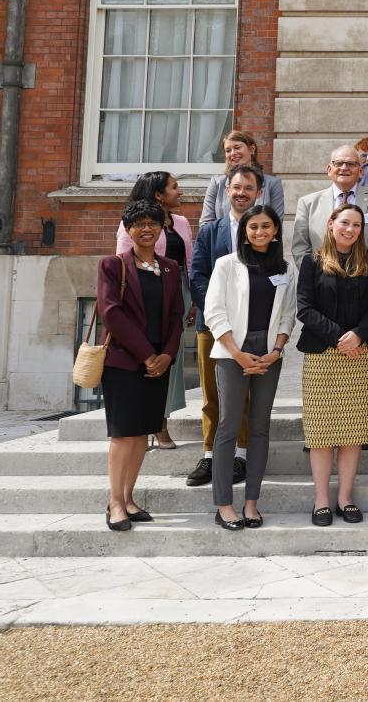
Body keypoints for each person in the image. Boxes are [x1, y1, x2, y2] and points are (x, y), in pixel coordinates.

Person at [203, 203, 298, 531]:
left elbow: (289, 313)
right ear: (244, 230)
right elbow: (214, 312)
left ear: (275, 231)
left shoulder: (285, 268)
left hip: (269, 356)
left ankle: (252, 503)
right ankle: (224, 505)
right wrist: (237, 353)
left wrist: (276, 350)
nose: (260, 232)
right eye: (253, 227)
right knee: (229, 426)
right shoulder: (227, 265)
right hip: (232, 355)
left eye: (266, 227)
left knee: (259, 428)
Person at [296, 203, 368, 526]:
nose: (350, 229)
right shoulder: (312, 261)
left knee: (354, 432)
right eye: (345, 223)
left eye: (357, 225)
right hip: (323, 355)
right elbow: (304, 309)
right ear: (331, 223)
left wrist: (360, 335)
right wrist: (340, 337)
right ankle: (321, 500)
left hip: (361, 356)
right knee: (321, 433)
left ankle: (345, 498)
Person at [97, 199, 184, 530]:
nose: (147, 228)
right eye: (139, 223)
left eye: (153, 223)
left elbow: (177, 315)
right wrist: (147, 355)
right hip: (124, 362)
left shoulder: (171, 268)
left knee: (142, 435)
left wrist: (167, 355)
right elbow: (111, 314)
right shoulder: (112, 265)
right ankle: (115, 503)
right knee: (123, 435)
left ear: (162, 228)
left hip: (160, 365)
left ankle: (129, 499)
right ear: (128, 229)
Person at [186, 164, 261, 488]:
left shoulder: (264, 230)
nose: (242, 193)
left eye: (248, 188)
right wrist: (219, 317)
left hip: (251, 329)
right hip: (212, 328)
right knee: (212, 394)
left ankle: (241, 456)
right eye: (237, 187)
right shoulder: (209, 231)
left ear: (257, 193)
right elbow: (197, 276)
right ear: (226, 191)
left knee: (245, 395)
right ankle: (210, 455)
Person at [115, 171, 192, 450]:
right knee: (142, 357)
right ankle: (141, 423)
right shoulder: (132, 224)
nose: (179, 192)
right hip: (143, 295)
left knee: (169, 359)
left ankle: (160, 421)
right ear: (159, 194)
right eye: (174, 187)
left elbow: (189, 261)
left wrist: (192, 299)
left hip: (176, 294)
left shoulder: (182, 222)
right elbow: (122, 263)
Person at [290, 145, 368, 262]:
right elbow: (300, 247)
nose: (344, 168)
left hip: (365, 275)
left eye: (351, 164)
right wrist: (312, 273)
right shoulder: (307, 204)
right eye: (338, 163)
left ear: (360, 171)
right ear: (329, 169)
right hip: (320, 276)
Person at [198, 129, 285, 227]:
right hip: (223, 241)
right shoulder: (217, 184)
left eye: (237, 147)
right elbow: (206, 224)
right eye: (228, 150)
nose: (232, 153)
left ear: (252, 149)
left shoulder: (272, 184)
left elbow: (276, 223)